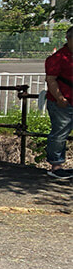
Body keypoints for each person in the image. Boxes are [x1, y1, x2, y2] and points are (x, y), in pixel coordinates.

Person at [44, 27, 73, 180]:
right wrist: (60, 98)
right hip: (62, 102)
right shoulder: (58, 58)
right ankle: (56, 165)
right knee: (60, 134)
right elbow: (51, 79)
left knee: (61, 133)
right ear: (68, 39)